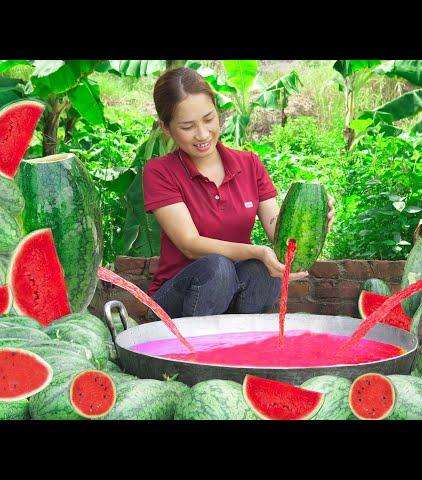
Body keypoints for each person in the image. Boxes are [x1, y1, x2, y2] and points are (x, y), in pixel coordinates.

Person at [142, 67, 334, 319]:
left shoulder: (249, 164)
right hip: (176, 303)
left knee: (261, 272)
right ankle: (195, 355)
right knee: (219, 268)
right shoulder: (160, 171)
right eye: (188, 126)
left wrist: (314, 223)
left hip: (232, 295)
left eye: (209, 119)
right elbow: (190, 245)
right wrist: (257, 251)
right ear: (166, 128)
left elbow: (278, 229)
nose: (202, 134)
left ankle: (240, 348)